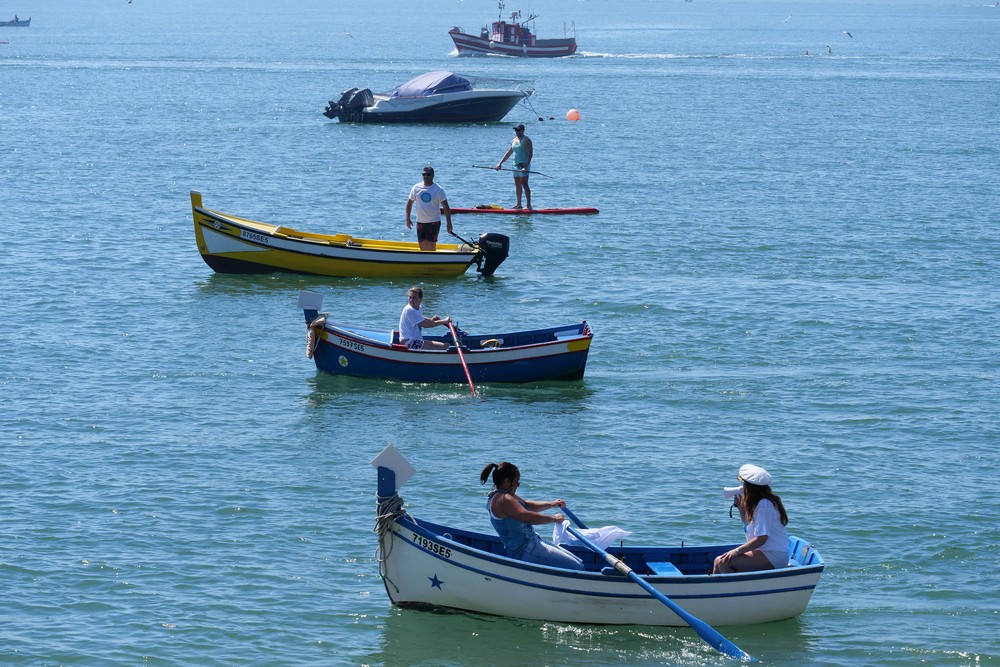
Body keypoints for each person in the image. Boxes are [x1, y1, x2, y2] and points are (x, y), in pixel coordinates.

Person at [480, 461, 584, 570]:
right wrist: (554, 519)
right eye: (517, 482)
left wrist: (551, 504)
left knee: (579, 562)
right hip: (525, 551)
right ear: (507, 481)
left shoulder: (499, 496)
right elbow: (528, 517)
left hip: (533, 543)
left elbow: (526, 505)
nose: (517, 486)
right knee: (576, 566)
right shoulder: (504, 499)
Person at [713, 464, 790, 574]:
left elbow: (762, 538)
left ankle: (733, 590)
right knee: (718, 561)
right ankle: (719, 590)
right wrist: (741, 508)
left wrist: (737, 551)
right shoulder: (759, 503)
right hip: (763, 551)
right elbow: (749, 530)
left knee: (723, 562)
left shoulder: (764, 506)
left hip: (774, 555)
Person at [406, 166, 453, 251]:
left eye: (428, 174)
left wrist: (449, 223)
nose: (425, 176)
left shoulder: (438, 189)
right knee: (422, 246)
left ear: (433, 175)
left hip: (433, 222)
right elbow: (409, 203)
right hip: (420, 221)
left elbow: (446, 206)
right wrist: (408, 218)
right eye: (423, 174)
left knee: (431, 246)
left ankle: (433, 263)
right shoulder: (416, 188)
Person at [398, 286, 452, 350]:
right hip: (409, 342)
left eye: (414, 298)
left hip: (417, 340)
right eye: (410, 297)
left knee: (445, 346)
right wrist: (444, 321)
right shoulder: (409, 310)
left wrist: (431, 319)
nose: (411, 300)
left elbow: (420, 318)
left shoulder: (419, 308)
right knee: (436, 351)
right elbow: (426, 325)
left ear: (420, 299)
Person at [494, 124, 533, 210]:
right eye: (516, 130)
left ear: (523, 130)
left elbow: (530, 154)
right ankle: (519, 204)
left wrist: (525, 167)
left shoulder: (527, 140)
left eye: (518, 130)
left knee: (524, 184)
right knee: (517, 184)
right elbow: (508, 153)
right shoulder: (513, 140)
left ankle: (529, 205)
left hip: (523, 165)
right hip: (515, 165)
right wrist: (500, 163)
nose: (516, 132)